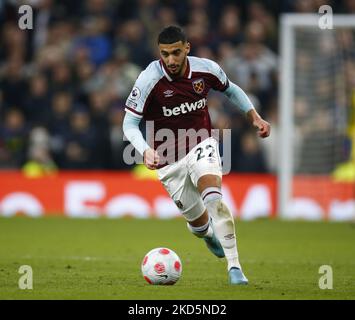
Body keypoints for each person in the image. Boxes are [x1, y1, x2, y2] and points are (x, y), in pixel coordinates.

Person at [122, 26, 270, 285]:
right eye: (165, 54)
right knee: (199, 224)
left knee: (214, 199)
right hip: (168, 161)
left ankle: (235, 267)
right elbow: (129, 124)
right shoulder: (149, 79)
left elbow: (231, 89)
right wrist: (145, 149)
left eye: (176, 53)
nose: (170, 60)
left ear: (187, 48)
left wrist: (254, 117)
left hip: (201, 143)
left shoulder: (206, 69)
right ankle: (207, 233)